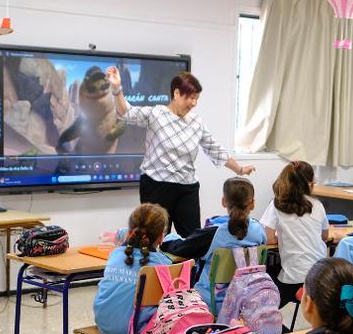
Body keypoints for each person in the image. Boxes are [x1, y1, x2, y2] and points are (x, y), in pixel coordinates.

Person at [106, 67, 255, 237]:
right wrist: (117, 89)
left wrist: (240, 170)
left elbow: (214, 149)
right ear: (176, 93)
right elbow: (126, 112)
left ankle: (188, 265)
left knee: (192, 239)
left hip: (187, 188)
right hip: (156, 186)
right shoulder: (157, 114)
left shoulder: (196, 122)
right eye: (190, 97)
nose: (194, 103)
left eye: (196, 98)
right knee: (153, 238)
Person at [93, 203, 173, 334]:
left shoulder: (115, 254)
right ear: (161, 237)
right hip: (135, 331)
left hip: (103, 324)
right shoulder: (164, 265)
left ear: (130, 231)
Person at [259, 160, 328, 308]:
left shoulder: (277, 203)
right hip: (320, 278)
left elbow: (268, 237)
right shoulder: (318, 205)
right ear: (310, 183)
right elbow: (325, 237)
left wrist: (284, 237)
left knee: (268, 272)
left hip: (292, 281)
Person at [195, 177, 267, 309]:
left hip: (210, 302)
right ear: (252, 203)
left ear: (224, 201)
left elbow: (179, 248)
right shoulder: (259, 231)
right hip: (246, 302)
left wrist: (169, 238)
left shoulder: (213, 232)